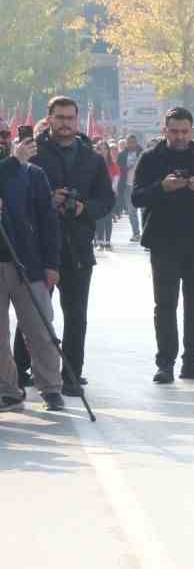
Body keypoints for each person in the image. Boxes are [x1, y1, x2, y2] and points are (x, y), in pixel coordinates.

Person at [12, 97, 112, 396]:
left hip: (78, 247)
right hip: (38, 248)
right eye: (59, 117)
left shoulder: (92, 158)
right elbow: (14, 197)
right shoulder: (32, 154)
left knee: (76, 314)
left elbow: (106, 200)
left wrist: (84, 208)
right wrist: (47, 200)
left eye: (70, 117)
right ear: (50, 118)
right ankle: (20, 370)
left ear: (77, 119)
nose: (65, 123)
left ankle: (71, 374)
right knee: (33, 313)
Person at [131, 107, 194, 384]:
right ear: (164, 130)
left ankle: (191, 361)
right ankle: (165, 362)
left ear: (192, 131)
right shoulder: (150, 158)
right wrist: (162, 188)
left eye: (184, 132)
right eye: (174, 131)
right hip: (163, 241)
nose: (179, 137)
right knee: (164, 304)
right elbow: (136, 197)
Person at [0, 129, 66, 412]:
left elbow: (48, 222)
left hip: (27, 263)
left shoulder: (32, 174)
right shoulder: (11, 167)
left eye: (4, 136)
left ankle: (50, 387)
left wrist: (51, 263)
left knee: (39, 329)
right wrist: (12, 163)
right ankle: (8, 389)